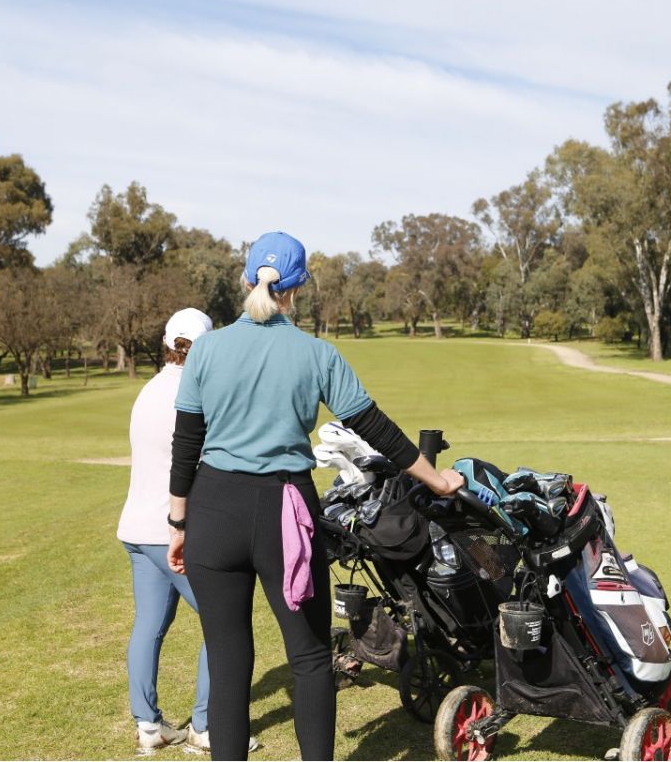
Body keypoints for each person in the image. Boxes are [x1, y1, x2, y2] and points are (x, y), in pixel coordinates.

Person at [166, 231, 465, 761]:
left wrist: (178, 523)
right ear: (298, 288)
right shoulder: (316, 353)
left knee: (228, 659)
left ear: (245, 279)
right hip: (286, 511)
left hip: (213, 509)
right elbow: (376, 428)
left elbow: (186, 444)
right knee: (307, 656)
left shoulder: (206, 349)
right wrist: (437, 480)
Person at [116, 308, 259, 755]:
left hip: (136, 528)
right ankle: (205, 726)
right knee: (224, 622)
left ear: (166, 344)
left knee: (149, 627)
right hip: (173, 530)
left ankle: (149, 727)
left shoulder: (148, 389)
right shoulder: (199, 393)